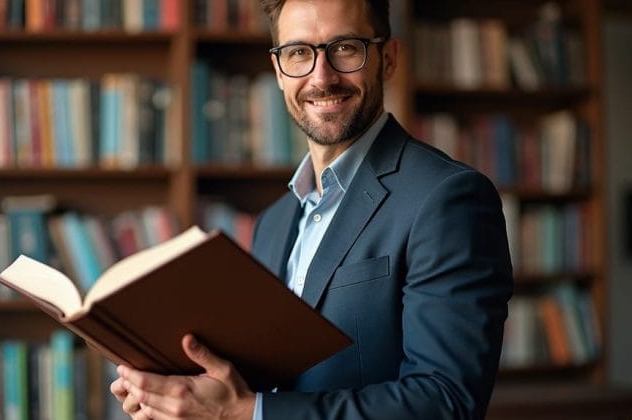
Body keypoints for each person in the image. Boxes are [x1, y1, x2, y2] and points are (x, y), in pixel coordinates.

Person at [110, 0, 513, 418]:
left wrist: (247, 413)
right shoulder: (273, 222)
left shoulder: (448, 198)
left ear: (388, 58)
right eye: (298, 52)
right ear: (278, 71)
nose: (322, 77)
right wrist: (179, 397)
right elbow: (259, 389)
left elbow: (446, 402)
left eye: (345, 48)